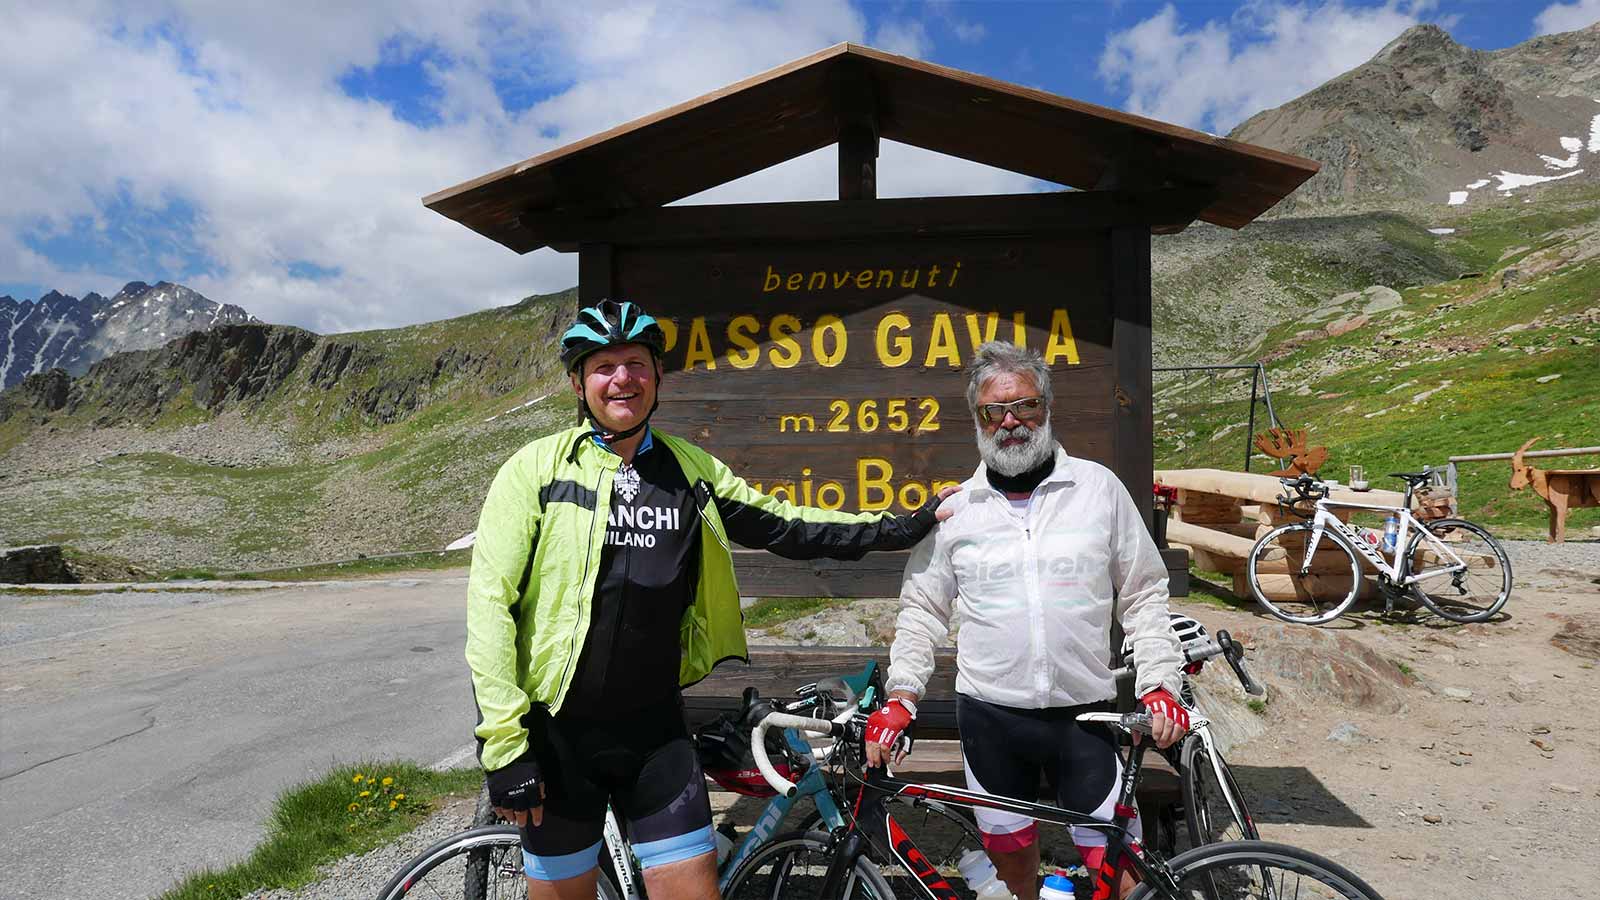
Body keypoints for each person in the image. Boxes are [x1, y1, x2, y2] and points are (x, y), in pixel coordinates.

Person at [466, 299, 955, 900]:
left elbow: (790, 525)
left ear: (657, 376)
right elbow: (490, 605)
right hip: (559, 736)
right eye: (604, 366)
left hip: (656, 735)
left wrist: (901, 528)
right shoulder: (534, 471)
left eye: (638, 364)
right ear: (578, 381)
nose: (623, 378)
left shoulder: (690, 471)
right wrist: (504, 747)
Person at [864, 341, 1188, 900]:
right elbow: (922, 611)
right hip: (992, 719)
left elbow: (1143, 593)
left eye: (1026, 406)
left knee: (1124, 876)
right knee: (1014, 876)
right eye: (995, 410)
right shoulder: (957, 508)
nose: (1011, 421)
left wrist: (1160, 682)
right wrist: (902, 694)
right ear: (978, 419)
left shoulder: (1098, 489)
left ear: (1047, 408)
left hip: (1083, 714)